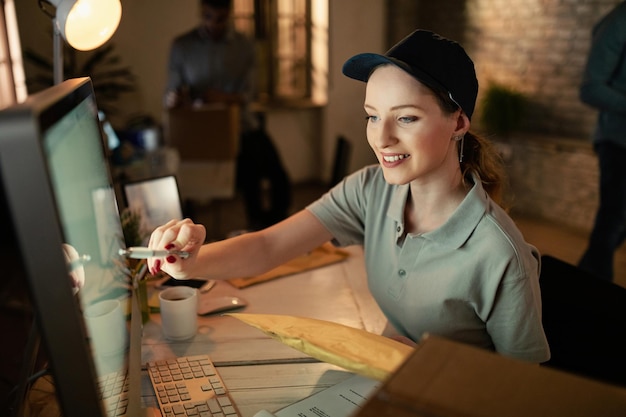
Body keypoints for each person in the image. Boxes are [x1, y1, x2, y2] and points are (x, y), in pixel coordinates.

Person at [150, 29, 551, 363]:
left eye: (406, 118)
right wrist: (191, 262)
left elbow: (522, 389)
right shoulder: (370, 188)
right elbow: (270, 245)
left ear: (459, 122)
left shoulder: (499, 254)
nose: (381, 137)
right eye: (372, 116)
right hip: (384, 377)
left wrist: (426, 367)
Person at [164, 0, 291, 231]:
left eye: (220, 18)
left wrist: (219, 97)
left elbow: (250, 93)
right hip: (198, 133)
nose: (213, 24)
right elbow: (171, 94)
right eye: (208, 17)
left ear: (229, 14)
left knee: (277, 177)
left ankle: (266, 229)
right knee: (185, 181)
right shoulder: (182, 46)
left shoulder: (244, 46)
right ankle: (187, 234)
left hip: (243, 127)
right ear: (201, 13)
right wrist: (176, 99)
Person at [577, 1, 626, 282]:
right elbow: (590, 88)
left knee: (612, 231)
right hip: (618, 142)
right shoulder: (618, 22)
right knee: (611, 225)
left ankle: (578, 293)